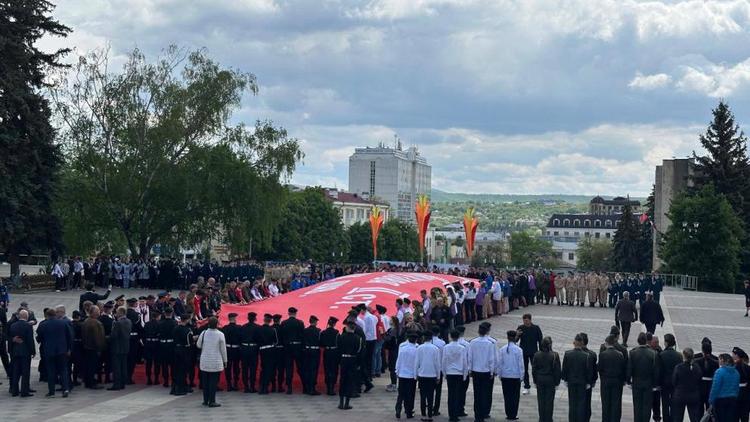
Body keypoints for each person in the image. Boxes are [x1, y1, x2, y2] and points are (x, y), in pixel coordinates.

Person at [36, 308, 72, 397]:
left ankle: (51, 391)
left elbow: (38, 338)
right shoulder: (63, 323)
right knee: (63, 370)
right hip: (62, 350)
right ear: (55, 314)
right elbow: (69, 336)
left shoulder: (43, 325)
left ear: (47, 316)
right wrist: (69, 349)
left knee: (51, 371)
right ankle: (65, 389)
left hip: (49, 351)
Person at [562, 333, 594, 422]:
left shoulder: (567, 354)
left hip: (571, 382)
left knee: (572, 403)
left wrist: (565, 379)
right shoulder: (586, 356)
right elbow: (588, 371)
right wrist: (588, 382)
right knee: (581, 404)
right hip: (582, 382)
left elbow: (565, 368)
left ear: (574, 342)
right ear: (582, 343)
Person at [468, 321, 496, 422]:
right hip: (486, 371)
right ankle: (483, 414)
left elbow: (470, 358)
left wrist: (470, 370)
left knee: (477, 393)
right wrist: (492, 372)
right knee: (484, 393)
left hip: (476, 371)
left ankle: (477, 415)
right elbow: (491, 359)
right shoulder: (490, 343)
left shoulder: (472, 342)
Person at [196, 316, 227, 408]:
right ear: (217, 324)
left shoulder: (204, 333)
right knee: (213, 382)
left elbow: (198, 345)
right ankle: (212, 401)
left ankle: (205, 400)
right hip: (216, 361)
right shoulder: (220, 334)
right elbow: (223, 350)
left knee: (205, 382)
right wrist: (225, 361)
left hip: (205, 360)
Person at [628, 332, 659, 422]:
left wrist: (628, 380)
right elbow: (656, 371)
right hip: (648, 383)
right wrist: (655, 384)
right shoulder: (653, 353)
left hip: (637, 382)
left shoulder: (633, 353)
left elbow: (629, 368)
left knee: (637, 405)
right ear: (646, 341)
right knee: (647, 406)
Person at [532, 336, 561, 422]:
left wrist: (535, 381)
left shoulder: (537, 354)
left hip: (540, 379)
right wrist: (557, 382)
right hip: (550, 379)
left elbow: (534, 369)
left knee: (541, 400)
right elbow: (557, 370)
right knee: (549, 401)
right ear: (550, 345)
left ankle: (541, 418)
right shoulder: (554, 355)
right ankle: (548, 418)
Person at [497, 329, 523, 421]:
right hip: (515, 376)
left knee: (507, 396)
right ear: (515, 337)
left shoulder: (502, 349)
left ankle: (508, 413)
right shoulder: (519, 350)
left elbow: (499, 364)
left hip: (505, 376)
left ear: (507, 338)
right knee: (515, 396)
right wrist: (522, 376)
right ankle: (513, 414)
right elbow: (521, 364)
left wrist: (499, 375)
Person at [599, 334, 626, 422]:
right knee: (616, 403)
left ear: (607, 343)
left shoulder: (603, 354)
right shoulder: (620, 354)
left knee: (606, 403)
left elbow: (600, 368)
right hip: (617, 381)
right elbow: (623, 368)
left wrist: (602, 378)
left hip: (606, 381)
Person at [672, 348, 704, 422]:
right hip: (693, 395)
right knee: (694, 417)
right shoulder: (696, 367)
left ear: (684, 356)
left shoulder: (678, 367)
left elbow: (674, 381)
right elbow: (699, 379)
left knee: (678, 417)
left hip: (680, 395)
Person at [9, 309, 35, 397]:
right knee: (25, 372)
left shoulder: (13, 325)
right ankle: (24, 391)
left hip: (15, 351)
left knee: (16, 371)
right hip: (25, 351)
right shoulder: (28, 326)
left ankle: (14, 391)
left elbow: (10, 339)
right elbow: (30, 340)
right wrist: (33, 351)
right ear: (26, 317)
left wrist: (11, 349)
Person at [442, 330, 468, 422]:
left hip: (450, 373)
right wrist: (465, 375)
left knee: (451, 394)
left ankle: (451, 414)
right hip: (459, 373)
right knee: (457, 394)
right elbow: (465, 362)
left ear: (451, 336)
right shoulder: (462, 348)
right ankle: (455, 414)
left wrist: (444, 373)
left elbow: (444, 361)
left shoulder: (446, 347)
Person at [416, 330, 441, 422]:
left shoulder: (419, 348)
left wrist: (416, 375)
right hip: (432, 375)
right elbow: (437, 364)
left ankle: (423, 415)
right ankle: (430, 415)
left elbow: (416, 363)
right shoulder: (435, 349)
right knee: (431, 396)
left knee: (423, 396)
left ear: (423, 338)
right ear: (431, 338)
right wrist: (438, 376)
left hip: (422, 375)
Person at [339, 321, 363, 411]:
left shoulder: (341, 337)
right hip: (352, 360)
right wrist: (359, 364)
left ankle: (341, 402)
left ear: (347, 327)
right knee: (350, 381)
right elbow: (359, 352)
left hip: (343, 359)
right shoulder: (358, 338)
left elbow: (339, 349)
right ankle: (347, 403)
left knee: (342, 380)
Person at [516, 313, 543, 395]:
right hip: (523, 351)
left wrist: (541, 351)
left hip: (534, 352)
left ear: (530, 320)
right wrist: (517, 335)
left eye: (526, 320)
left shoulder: (536, 328)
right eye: (524, 321)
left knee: (535, 369)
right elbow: (516, 340)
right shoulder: (521, 328)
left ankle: (537, 384)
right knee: (525, 369)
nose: (525, 322)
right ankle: (526, 386)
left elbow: (540, 340)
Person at [280, 307, 305, 394]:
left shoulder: (284, 323)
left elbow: (281, 336)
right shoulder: (300, 323)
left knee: (288, 368)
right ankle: (305, 386)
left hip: (287, 347)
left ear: (288, 313)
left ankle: (289, 387)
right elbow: (303, 335)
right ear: (295, 313)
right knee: (300, 367)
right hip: (298, 347)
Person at [395, 330, 419, 419]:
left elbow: (399, 360)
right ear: (416, 340)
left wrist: (397, 371)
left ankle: (398, 408)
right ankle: (409, 411)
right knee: (410, 394)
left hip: (402, 374)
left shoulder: (403, 348)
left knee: (401, 393)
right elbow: (417, 363)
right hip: (412, 375)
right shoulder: (417, 349)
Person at [709, 354, 740, 422]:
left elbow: (715, 387)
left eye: (719, 359)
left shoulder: (719, 372)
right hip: (733, 399)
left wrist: (711, 399)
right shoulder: (736, 372)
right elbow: (737, 387)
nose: (718, 361)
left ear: (722, 360)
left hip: (721, 400)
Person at [81, 305, 106, 389]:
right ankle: (92, 383)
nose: (99, 312)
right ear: (95, 312)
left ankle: (88, 382)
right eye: (98, 310)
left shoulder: (86, 321)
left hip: (86, 347)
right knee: (93, 366)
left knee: (88, 365)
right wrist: (100, 348)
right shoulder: (96, 323)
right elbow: (98, 337)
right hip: (94, 348)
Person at [658, 334, 682, 422]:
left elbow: (659, 370)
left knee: (665, 403)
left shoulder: (661, 354)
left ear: (667, 342)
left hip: (664, 382)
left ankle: (666, 419)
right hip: (675, 383)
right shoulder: (679, 355)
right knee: (674, 403)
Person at [694, 337, 719, 411]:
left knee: (700, 409)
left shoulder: (696, 359)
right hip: (710, 386)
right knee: (708, 409)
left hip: (700, 386)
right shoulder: (715, 360)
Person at [109, 306, 131, 391]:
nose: (116, 313)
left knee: (116, 367)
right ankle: (122, 383)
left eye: (117, 312)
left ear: (121, 312)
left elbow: (114, 336)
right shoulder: (129, 321)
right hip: (125, 347)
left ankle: (116, 384)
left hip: (117, 347)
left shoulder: (118, 323)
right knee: (123, 366)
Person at [171, 314, 194, 396]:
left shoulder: (176, 328)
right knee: (183, 370)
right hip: (184, 351)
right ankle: (180, 389)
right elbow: (189, 342)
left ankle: (175, 387)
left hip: (176, 349)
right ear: (187, 320)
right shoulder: (187, 330)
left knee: (176, 370)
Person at [239, 311, 260, 393]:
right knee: (253, 368)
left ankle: (246, 387)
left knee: (244, 368)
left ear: (248, 318)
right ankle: (252, 386)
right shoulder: (258, 327)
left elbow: (239, 338)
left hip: (244, 349)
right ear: (255, 318)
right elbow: (259, 339)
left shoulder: (243, 327)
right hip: (253, 349)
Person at [257, 313, 278, 395]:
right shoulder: (273, 330)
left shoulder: (259, 329)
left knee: (263, 368)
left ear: (264, 320)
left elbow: (257, 340)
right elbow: (276, 341)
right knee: (268, 369)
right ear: (270, 321)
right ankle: (265, 387)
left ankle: (261, 387)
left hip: (262, 350)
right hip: (270, 350)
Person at [580, 332, 598, 422]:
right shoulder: (592, 354)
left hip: (577, 383)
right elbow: (595, 370)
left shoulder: (573, 353)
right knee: (587, 403)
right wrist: (594, 381)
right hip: (588, 383)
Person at [320, 316, 340, 396]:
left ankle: (328, 387)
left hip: (327, 352)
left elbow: (321, 344)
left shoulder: (323, 332)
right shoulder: (337, 332)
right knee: (334, 370)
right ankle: (332, 387)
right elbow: (338, 344)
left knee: (327, 370)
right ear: (334, 324)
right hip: (334, 352)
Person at [221, 312, 242, 391]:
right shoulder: (239, 327)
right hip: (236, 349)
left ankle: (229, 384)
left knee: (228, 367)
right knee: (236, 367)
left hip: (228, 349)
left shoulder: (225, 328)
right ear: (234, 319)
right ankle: (235, 384)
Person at [302, 315, 322, 395]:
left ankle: (306, 387)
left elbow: (303, 341)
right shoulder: (318, 331)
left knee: (307, 369)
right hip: (315, 351)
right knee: (314, 370)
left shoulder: (305, 330)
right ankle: (312, 388)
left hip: (307, 351)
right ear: (315, 322)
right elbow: (321, 342)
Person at [732, 347, 750, 422]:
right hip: (746, 395)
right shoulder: (747, 368)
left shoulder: (732, 368)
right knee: (744, 417)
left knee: (734, 416)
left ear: (737, 356)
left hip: (735, 394)